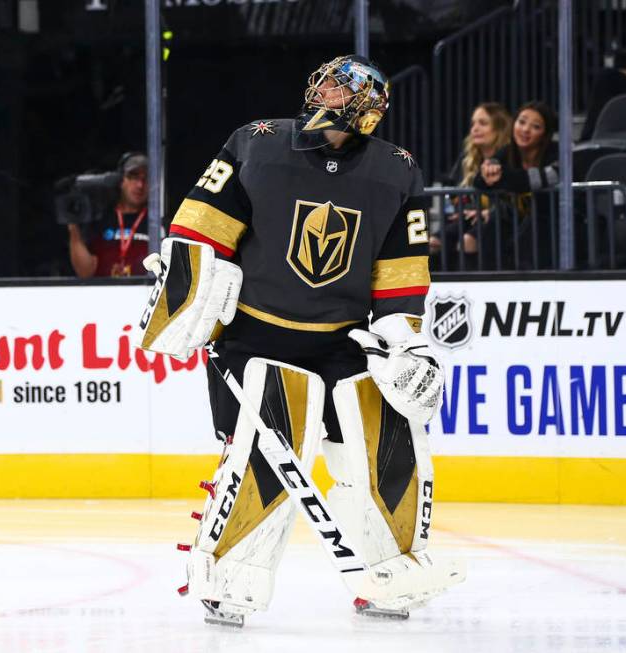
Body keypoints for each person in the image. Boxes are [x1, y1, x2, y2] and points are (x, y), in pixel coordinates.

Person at [136, 55, 462, 627]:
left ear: (368, 104)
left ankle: (391, 572)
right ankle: (231, 580)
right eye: (325, 81)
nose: (323, 90)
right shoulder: (256, 143)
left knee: (390, 447)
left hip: (342, 339)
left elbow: (401, 273)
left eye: (339, 87)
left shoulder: (397, 170)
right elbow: (198, 230)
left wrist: (404, 342)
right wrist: (184, 282)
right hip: (255, 335)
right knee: (265, 454)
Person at [473, 101, 558, 269]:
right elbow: (479, 181)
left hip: (555, 226)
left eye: (536, 126)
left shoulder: (560, 151)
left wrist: (502, 176)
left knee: (534, 226)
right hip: (518, 221)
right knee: (493, 226)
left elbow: (539, 180)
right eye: (521, 122)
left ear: (545, 134)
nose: (525, 129)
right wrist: (488, 175)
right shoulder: (506, 152)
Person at [431, 102, 512, 267]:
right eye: (473, 123)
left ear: (499, 128)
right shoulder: (467, 159)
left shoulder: (511, 158)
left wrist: (489, 211)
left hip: (501, 219)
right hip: (468, 219)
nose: (475, 129)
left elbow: (515, 200)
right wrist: (461, 209)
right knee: (433, 242)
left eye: (483, 123)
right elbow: (455, 194)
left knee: (468, 240)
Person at [67, 152, 155, 278]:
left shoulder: (157, 222)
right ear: (121, 180)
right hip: (104, 293)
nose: (140, 185)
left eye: (145, 179)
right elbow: (85, 271)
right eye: (133, 177)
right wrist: (72, 225)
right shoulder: (101, 219)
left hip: (146, 293)